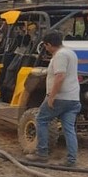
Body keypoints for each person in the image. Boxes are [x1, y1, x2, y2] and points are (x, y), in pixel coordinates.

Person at [25, 30, 81, 167]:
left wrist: (51, 96)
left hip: (60, 97)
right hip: (73, 98)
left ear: (49, 44)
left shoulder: (60, 56)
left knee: (41, 119)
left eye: (45, 45)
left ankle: (41, 154)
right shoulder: (70, 53)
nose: (46, 48)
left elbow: (60, 76)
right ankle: (71, 160)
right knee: (69, 128)